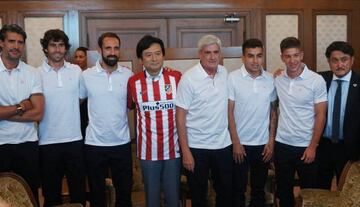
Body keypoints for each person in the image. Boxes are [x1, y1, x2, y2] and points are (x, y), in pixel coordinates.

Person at [176, 34, 233, 207]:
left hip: (223, 145)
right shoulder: (189, 78)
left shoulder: (224, 73)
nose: (212, 56)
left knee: (225, 193)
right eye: (208, 52)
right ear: (200, 54)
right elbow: (180, 117)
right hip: (197, 148)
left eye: (216, 52)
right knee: (199, 196)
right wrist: (185, 151)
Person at [127, 35, 182, 207]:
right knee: (152, 200)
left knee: (173, 198)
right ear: (141, 59)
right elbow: (129, 107)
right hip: (147, 152)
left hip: (174, 150)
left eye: (158, 53)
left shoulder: (177, 78)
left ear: (163, 56)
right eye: (148, 54)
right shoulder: (133, 82)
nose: (154, 58)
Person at [80, 32, 133, 207]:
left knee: (124, 194)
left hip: (122, 143)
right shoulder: (86, 76)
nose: (112, 52)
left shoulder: (128, 75)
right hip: (94, 144)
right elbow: (77, 103)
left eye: (116, 48)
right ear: (99, 50)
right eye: (108, 48)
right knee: (97, 196)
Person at [274, 37, 327, 207]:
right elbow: (273, 110)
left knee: (309, 193)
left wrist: (313, 146)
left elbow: (321, 115)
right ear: (282, 57)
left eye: (296, 55)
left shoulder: (316, 80)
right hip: (282, 144)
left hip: (306, 146)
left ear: (301, 55)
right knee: (284, 192)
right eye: (288, 56)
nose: (292, 60)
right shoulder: (278, 79)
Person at [38, 29, 86, 207]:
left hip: (74, 140)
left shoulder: (76, 71)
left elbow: (81, 98)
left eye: (61, 45)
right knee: (51, 196)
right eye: (53, 45)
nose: (57, 50)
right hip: (47, 142)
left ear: (66, 49)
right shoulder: (36, 73)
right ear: (45, 48)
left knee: (78, 193)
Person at [228, 38, 277, 207]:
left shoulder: (271, 79)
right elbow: (229, 112)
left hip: (262, 145)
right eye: (251, 56)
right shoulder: (232, 78)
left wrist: (271, 141)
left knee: (258, 191)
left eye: (259, 56)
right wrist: (235, 142)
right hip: (240, 145)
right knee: (238, 190)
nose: (255, 61)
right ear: (243, 57)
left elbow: (273, 113)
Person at [0, 24, 44, 202]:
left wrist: (5, 112)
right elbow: (30, 110)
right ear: (1, 43)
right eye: (11, 41)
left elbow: (38, 113)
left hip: (28, 144)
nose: (16, 46)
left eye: (20, 42)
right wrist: (21, 106)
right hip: (1, 144)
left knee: (30, 196)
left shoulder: (32, 73)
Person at [317, 41, 360, 189]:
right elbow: (298, 75)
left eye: (344, 59)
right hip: (322, 146)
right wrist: (281, 74)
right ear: (328, 62)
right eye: (334, 60)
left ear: (352, 60)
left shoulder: (359, 83)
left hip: (350, 149)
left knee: (347, 193)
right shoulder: (319, 80)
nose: (339, 65)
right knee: (319, 189)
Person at [73, 46, 89, 138]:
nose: (78, 59)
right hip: (76, 108)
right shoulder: (72, 73)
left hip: (87, 107)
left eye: (81, 57)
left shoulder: (92, 74)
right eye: (76, 57)